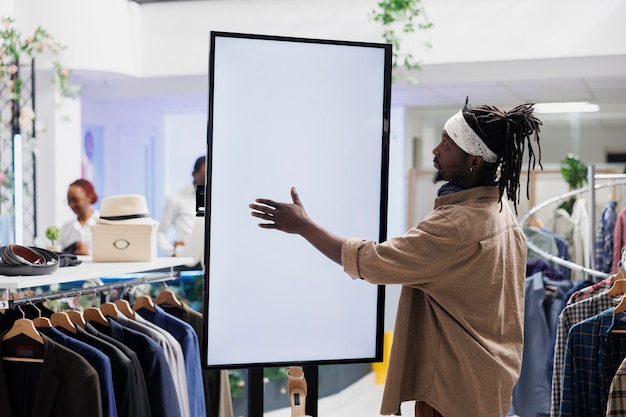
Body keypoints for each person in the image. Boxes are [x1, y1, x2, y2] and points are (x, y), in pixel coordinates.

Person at [249, 99, 543, 417]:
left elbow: (372, 260)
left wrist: (304, 226)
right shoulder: (500, 210)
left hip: (453, 388)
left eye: (446, 144)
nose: (435, 151)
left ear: (473, 161)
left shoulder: (456, 225)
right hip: (488, 381)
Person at [158, 156, 206, 256]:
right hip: (186, 261)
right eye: (203, 177)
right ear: (194, 174)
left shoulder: (218, 201)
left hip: (210, 262)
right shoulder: (176, 198)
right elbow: (160, 232)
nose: (206, 182)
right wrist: (171, 249)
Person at [59, 178, 99, 255]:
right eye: (69, 201)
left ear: (89, 197)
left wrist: (89, 252)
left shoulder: (103, 225)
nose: (71, 205)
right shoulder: (66, 228)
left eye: (75, 200)